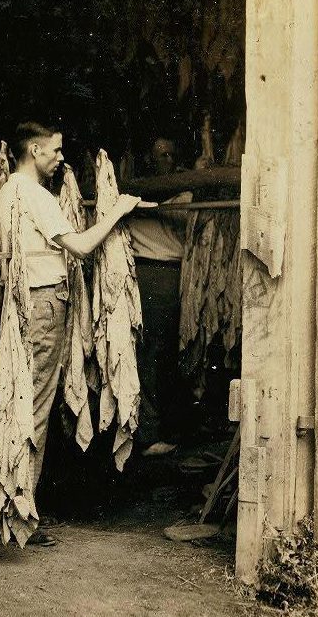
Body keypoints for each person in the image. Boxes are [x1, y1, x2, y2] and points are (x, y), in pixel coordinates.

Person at [0, 122, 151, 546]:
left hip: (21, 305)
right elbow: (79, 246)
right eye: (55, 151)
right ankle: (20, 515)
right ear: (35, 149)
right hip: (43, 305)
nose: (60, 158)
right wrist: (117, 212)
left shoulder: (3, 195)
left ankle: (10, 506)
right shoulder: (35, 196)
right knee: (36, 408)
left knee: (18, 400)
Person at [127, 137, 192, 457]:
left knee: (168, 352)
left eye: (170, 154)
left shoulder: (185, 192)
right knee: (150, 353)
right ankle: (147, 434)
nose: (165, 159)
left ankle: (162, 427)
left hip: (174, 275)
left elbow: (180, 219)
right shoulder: (132, 191)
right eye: (159, 154)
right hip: (148, 274)